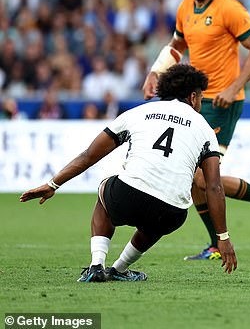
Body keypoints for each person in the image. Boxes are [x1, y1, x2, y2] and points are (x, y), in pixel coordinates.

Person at [20, 64, 238, 281]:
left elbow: (89, 156)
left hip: (128, 196)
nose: (201, 103)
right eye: (201, 97)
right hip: (172, 212)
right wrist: (223, 237)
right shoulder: (205, 129)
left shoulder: (139, 112)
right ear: (192, 97)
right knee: (158, 221)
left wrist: (53, 185)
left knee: (105, 188)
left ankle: (97, 266)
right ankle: (119, 270)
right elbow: (213, 186)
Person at [142, 0, 250, 260]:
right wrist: (155, 72)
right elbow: (176, 45)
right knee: (193, 177)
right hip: (195, 102)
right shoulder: (186, 6)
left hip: (223, 102)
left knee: (202, 177)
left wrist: (234, 86)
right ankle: (215, 244)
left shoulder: (229, 9)